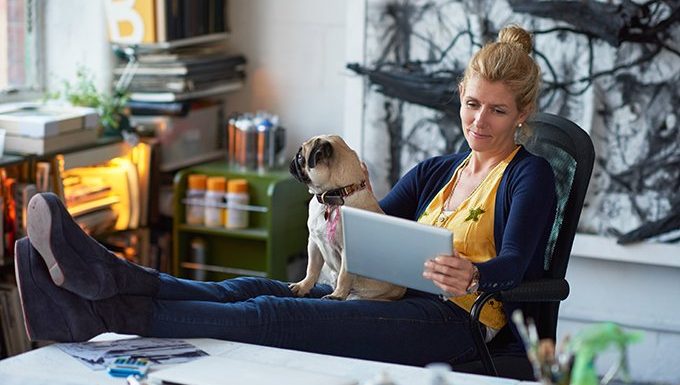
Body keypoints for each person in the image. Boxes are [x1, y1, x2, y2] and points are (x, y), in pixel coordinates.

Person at [14, 24, 555, 367]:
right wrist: (348, 194)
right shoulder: (439, 169)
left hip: (455, 325)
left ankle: (97, 311)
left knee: (270, 314)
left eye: (498, 110)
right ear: (460, 96)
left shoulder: (529, 176)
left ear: (523, 114)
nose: (479, 121)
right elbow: (368, 235)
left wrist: (475, 274)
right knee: (249, 286)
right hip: (387, 298)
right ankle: (106, 278)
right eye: (472, 104)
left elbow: (517, 263)